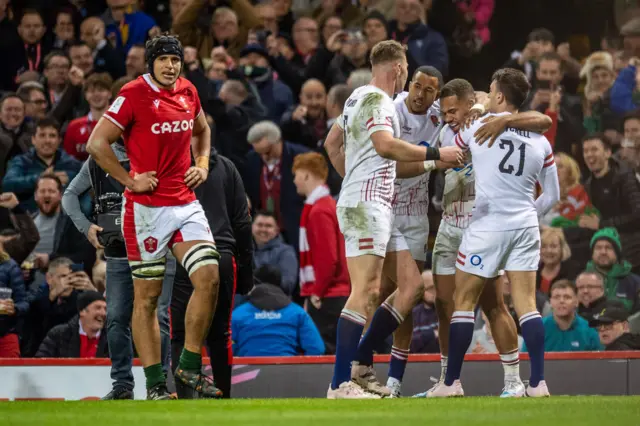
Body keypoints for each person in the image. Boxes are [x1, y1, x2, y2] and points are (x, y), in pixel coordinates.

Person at [323, 40, 462, 399]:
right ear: (400, 69)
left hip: (377, 206)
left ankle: (360, 364)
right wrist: (436, 153)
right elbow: (385, 145)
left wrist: (351, 177)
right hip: (367, 205)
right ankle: (340, 383)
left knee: (412, 287)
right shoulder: (380, 101)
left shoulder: (355, 97)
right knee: (366, 290)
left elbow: (331, 143)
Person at [86, 34, 220, 400]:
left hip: (184, 203)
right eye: (163, 60)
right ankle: (156, 385)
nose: (170, 66)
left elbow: (203, 130)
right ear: (151, 63)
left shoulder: (188, 91)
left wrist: (203, 163)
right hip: (145, 211)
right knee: (147, 299)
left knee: (209, 277)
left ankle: (190, 366)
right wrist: (130, 179)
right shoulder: (132, 94)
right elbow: (96, 144)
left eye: (175, 60)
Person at [428, 68, 560, 398]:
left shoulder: (476, 126)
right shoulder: (542, 141)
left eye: (491, 90)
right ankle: (538, 383)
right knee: (527, 304)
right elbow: (554, 195)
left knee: (463, 303)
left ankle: (451, 384)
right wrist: (531, 213)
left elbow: (454, 155)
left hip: (486, 225)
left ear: (499, 95)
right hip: (526, 226)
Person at [62, 136, 175, 399]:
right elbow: (69, 196)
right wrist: (86, 227)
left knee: (158, 317)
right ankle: (123, 386)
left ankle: (157, 386)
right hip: (118, 252)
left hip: (156, 248)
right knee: (115, 318)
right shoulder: (98, 156)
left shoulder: (158, 150)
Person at [171, 148, 254, 399]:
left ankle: (185, 400)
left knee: (181, 333)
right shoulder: (227, 166)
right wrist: (247, 270)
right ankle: (223, 398)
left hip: (183, 254)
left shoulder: (169, 163)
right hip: (222, 253)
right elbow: (242, 221)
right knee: (220, 334)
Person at [292, 152, 350, 355]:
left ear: (307, 175)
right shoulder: (328, 206)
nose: (294, 181)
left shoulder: (319, 210)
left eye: (296, 175)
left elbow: (328, 258)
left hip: (329, 295)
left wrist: (317, 290)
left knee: (325, 353)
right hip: (335, 292)